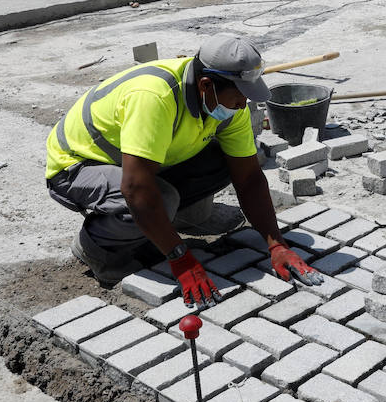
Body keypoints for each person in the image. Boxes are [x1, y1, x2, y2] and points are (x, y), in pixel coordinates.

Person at [45, 34, 321, 301]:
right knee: (159, 199)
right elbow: (136, 188)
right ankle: (96, 246)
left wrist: (276, 244)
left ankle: (164, 226)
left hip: (139, 161)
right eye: (239, 95)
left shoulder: (229, 108)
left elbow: (248, 177)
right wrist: (181, 258)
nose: (243, 104)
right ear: (205, 85)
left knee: (225, 161)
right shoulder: (154, 97)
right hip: (78, 165)